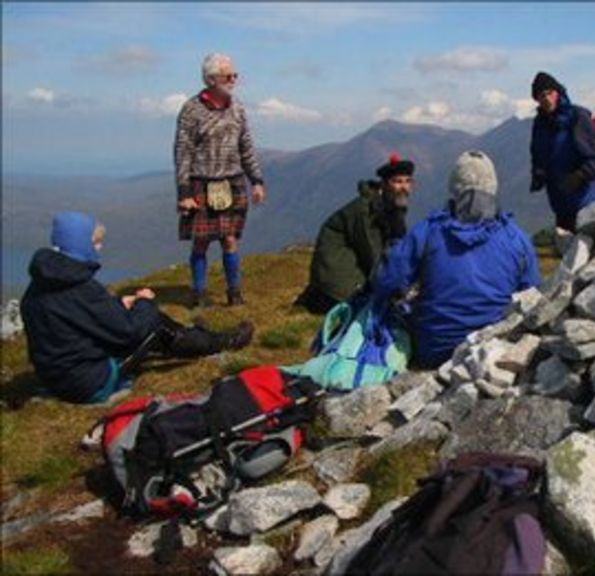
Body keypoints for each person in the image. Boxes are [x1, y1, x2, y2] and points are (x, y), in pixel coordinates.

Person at [20, 212, 254, 404]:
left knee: (144, 318)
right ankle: (220, 342)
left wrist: (118, 304)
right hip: (90, 384)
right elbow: (128, 331)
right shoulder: (80, 288)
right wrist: (145, 301)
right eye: (95, 243)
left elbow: (80, 317)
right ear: (80, 245)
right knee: (154, 325)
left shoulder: (42, 284)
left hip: (55, 379)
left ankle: (196, 334)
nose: (99, 248)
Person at [369, 151, 541, 368]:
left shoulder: (429, 231)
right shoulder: (516, 238)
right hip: (493, 350)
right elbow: (533, 296)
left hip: (436, 349)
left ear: (453, 187)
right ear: (493, 186)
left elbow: (388, 280)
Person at [175, 52, 266, 308]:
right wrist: (184, 192)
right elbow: (183, 151)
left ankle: (234, 292)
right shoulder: (192, 110)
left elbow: (246, 146)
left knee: (230, 239)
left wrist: (256, 180)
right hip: (200, 182)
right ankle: (200, 294)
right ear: (212, 78)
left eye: (236, 75)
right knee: (201, 241)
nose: (234, 80)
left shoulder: (237, 107)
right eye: (229, 75)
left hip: (232, 181)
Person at [295, 154, 415, 314]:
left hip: (351, 268)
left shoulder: (393, 207)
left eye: (408, 181)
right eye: (398, 181)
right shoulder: (365, 212)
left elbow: (397, 247)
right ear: (385, 185)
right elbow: (372, 256)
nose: (404, 187)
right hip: (336, 281)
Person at [529, 71, 595, 232]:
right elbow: (538, 153)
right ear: (536, 99)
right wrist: (539, 174)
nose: (546, 99)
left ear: (557, 92)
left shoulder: (578, 117)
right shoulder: (540, 124)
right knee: (567, 252)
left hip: (587, 202)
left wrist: (580, 176)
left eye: (549, 93)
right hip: (560, 202)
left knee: (586, 252)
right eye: (541, 96)